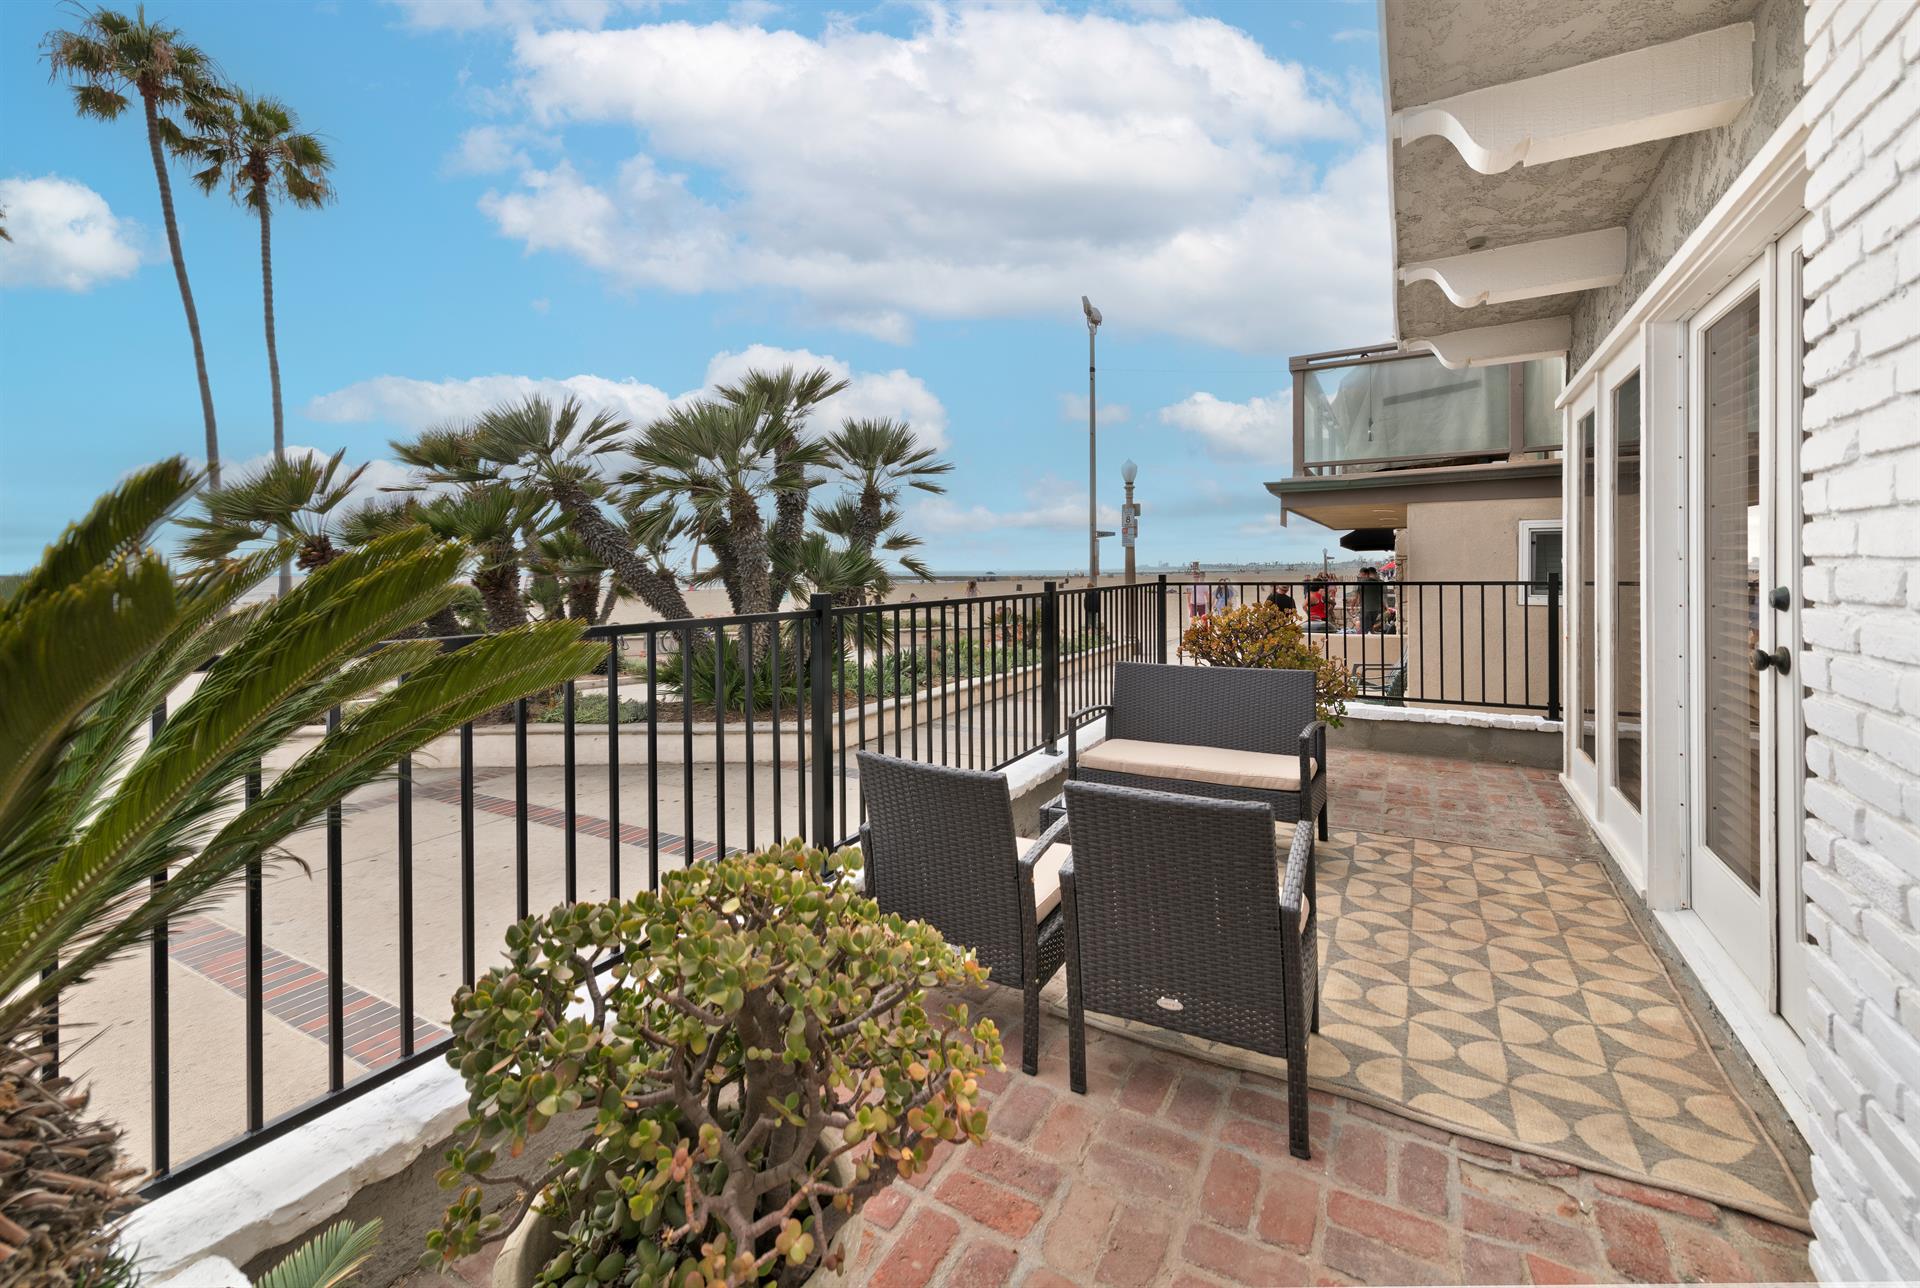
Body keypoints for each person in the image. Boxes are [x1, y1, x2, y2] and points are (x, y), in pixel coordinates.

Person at [1357, 566, 1387, 634]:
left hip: (1366, 609)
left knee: (1365, 630)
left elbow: (1359, 597)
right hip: (1375, 609)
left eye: (1361, 575)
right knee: (1370, 628)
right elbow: (1381, 596)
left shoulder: (1362, 583)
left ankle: (1365, 641)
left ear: (1367, 573)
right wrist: (1384, 606)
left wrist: (1355, 604)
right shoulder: (1379, 583)